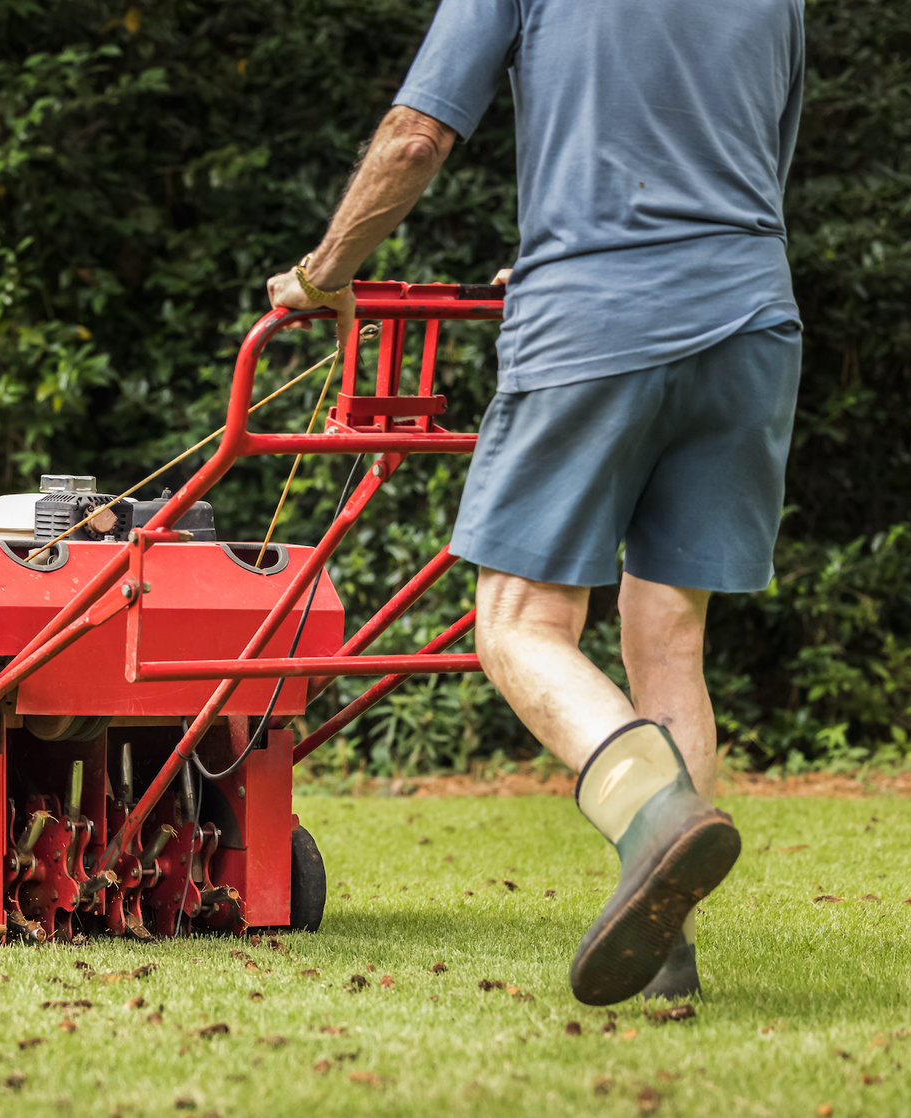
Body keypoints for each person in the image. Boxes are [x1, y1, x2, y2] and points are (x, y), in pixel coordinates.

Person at [267, 0, 804, 1006]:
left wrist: (321, 273)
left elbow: (416, 139)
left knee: (520, 625)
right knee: (669, 637)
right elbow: (757, 161)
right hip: (753, 319)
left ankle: (655, 817)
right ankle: (666, 948)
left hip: (597, 316)